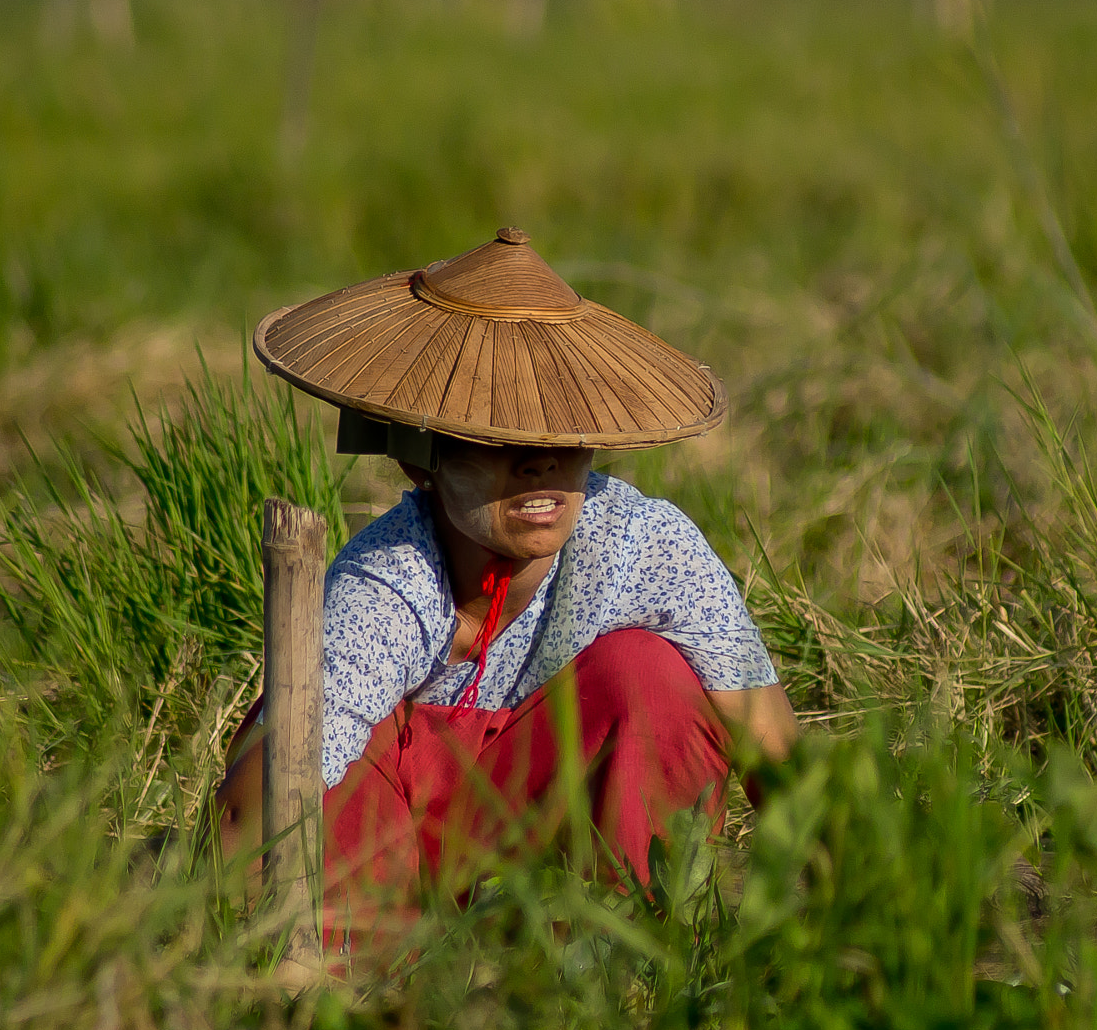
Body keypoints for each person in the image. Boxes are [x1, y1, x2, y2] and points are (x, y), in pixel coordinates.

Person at [217, 228, 799, 949]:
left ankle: (627, 963)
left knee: (651, 677)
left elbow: (777, 753)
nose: (538, 466)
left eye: (564, 439)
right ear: (421, 463)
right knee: (305, 739)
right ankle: (373, 974)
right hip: (382, 854)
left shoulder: (640, 544)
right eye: (498, 440)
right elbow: (284, 784)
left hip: (524, 842)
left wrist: (835, 931)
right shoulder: (387, 582)